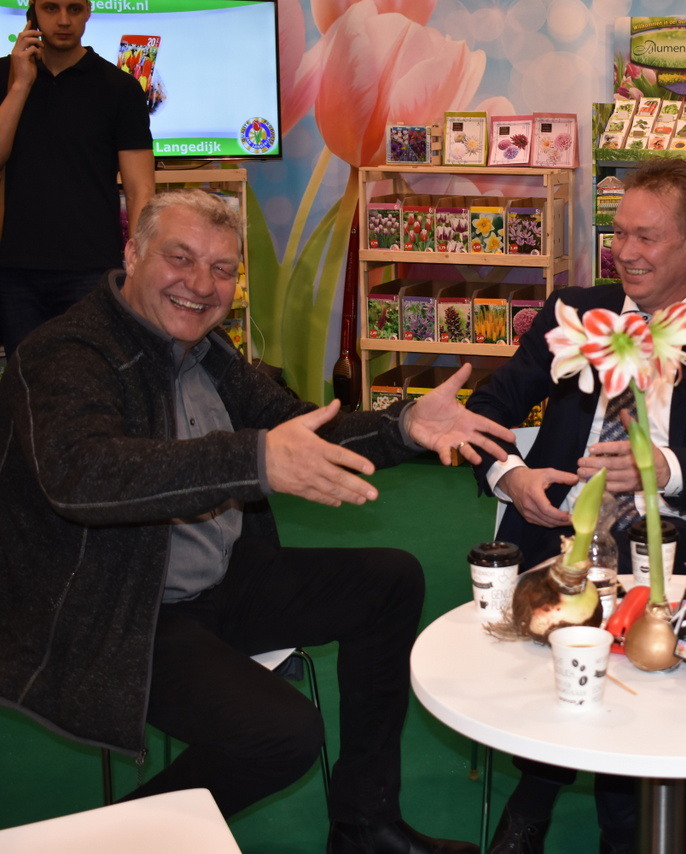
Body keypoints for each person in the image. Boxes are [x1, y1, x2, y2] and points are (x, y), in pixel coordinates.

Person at [0, 190, 515, 854]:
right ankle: (105, 846)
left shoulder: (207, 351)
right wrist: (252, 460)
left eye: (222, 269)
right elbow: (84, 475)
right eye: (180, 258)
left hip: (211, 582)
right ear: (132, 253)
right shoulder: (66, 353)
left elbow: (299, 430)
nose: (201, 284)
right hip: (114, 611)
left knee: (389, 580)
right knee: (281, 734)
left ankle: (365, 826)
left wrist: (404, 425)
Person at [465, 157, 686, 853]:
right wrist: (511, 476)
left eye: (647, 237)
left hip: (673, 537)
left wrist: (660, 468)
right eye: (619, 234)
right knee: (578, 617)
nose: (625, 253)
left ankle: (565, 810)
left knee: (625, 627)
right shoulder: (578, 313)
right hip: (558, 529)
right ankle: (572, 808)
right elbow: (488, 408)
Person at [0, 0, 154, 357]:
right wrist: (20, 85)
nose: (63, 20)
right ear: (33, 12)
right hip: (14, 269)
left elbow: (140, 188)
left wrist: (140, 265)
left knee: (89, 377)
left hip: (92, 268)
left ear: (88, 11)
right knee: (27, 380)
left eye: (74, 8)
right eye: (51, 8)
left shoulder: (120, 88)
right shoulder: (6, 75)